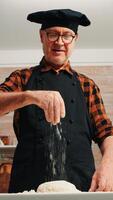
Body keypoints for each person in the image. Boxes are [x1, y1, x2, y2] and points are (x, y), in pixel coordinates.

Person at [0, 9, 113, 193]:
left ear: (75, 40)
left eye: (67, 35)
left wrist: (109, 165)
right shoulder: (22, 78)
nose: (59, 42)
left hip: (81, 188)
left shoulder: (87, 85)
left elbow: (106, 131)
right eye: (52, 34)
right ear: (42, 36)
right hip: (28, 190)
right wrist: (29, 96)